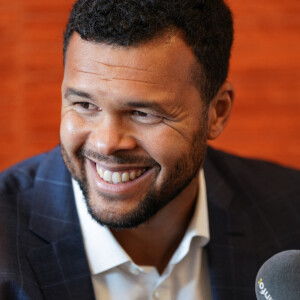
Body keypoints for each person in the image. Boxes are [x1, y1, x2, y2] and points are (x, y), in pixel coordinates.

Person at [1, 0, 300, 299]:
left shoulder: (289, 212)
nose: (106, 142)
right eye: (85, 105)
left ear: (217, 112)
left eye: (143, 113)